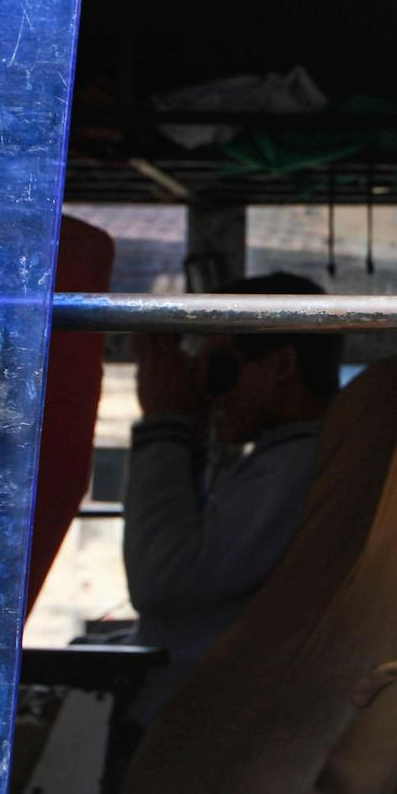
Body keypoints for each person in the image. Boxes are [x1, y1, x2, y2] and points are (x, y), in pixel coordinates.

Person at [124, 273, 343, 722]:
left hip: (192, 711)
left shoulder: (292, 469)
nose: (205, 387)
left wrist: (165, 423)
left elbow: (162, 581)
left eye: (219, 370)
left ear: (281, 365)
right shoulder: (296, 458)